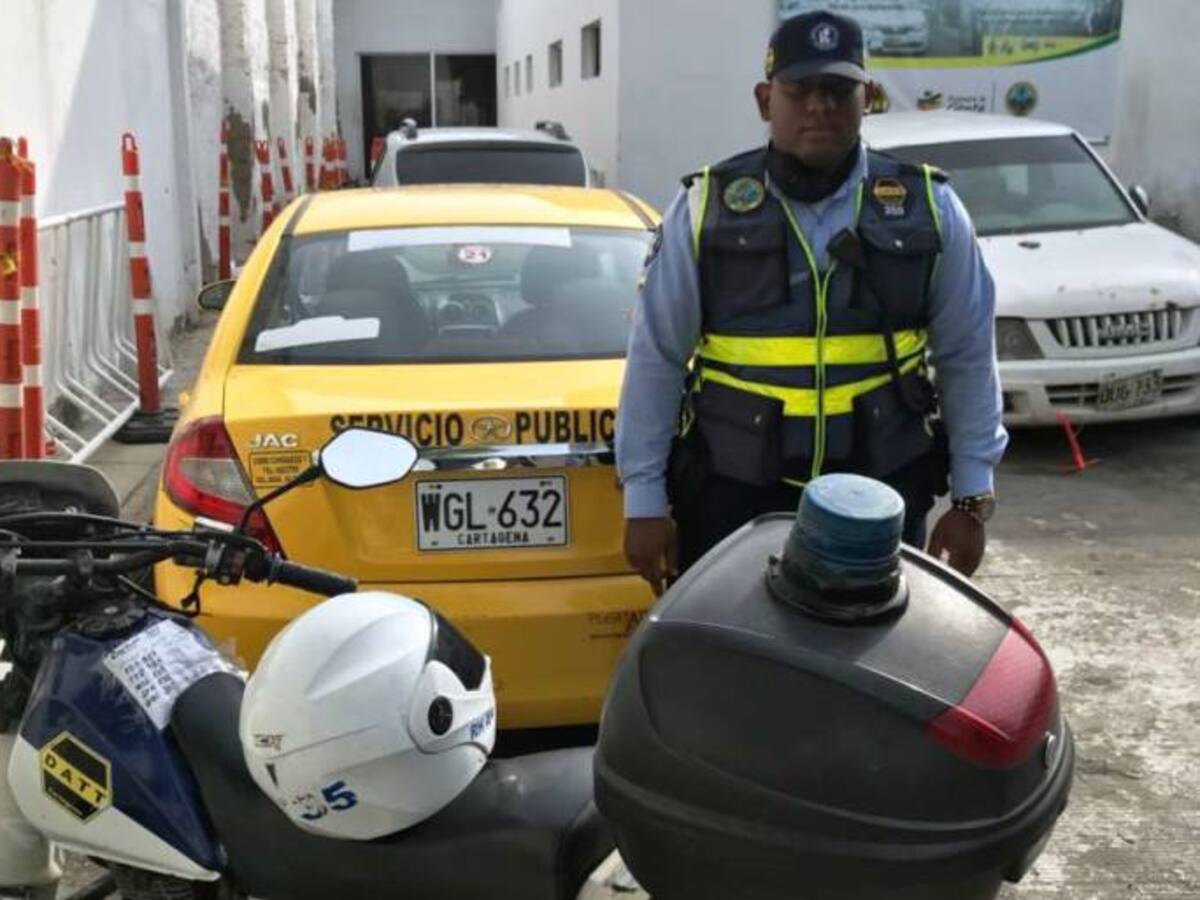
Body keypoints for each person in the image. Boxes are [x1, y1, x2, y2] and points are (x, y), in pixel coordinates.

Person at [616, 8, 1007, 596]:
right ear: (763, 99)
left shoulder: (929, 207)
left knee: (875, 672)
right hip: (733, 495)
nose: (819, 106)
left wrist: (972, 499)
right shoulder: (706, 208)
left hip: (882, 491)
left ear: (868, 96)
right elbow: (656, 359)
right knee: (737, 672)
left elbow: (968, 355)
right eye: (800, 90)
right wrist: (643, 500)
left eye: (838, 89)